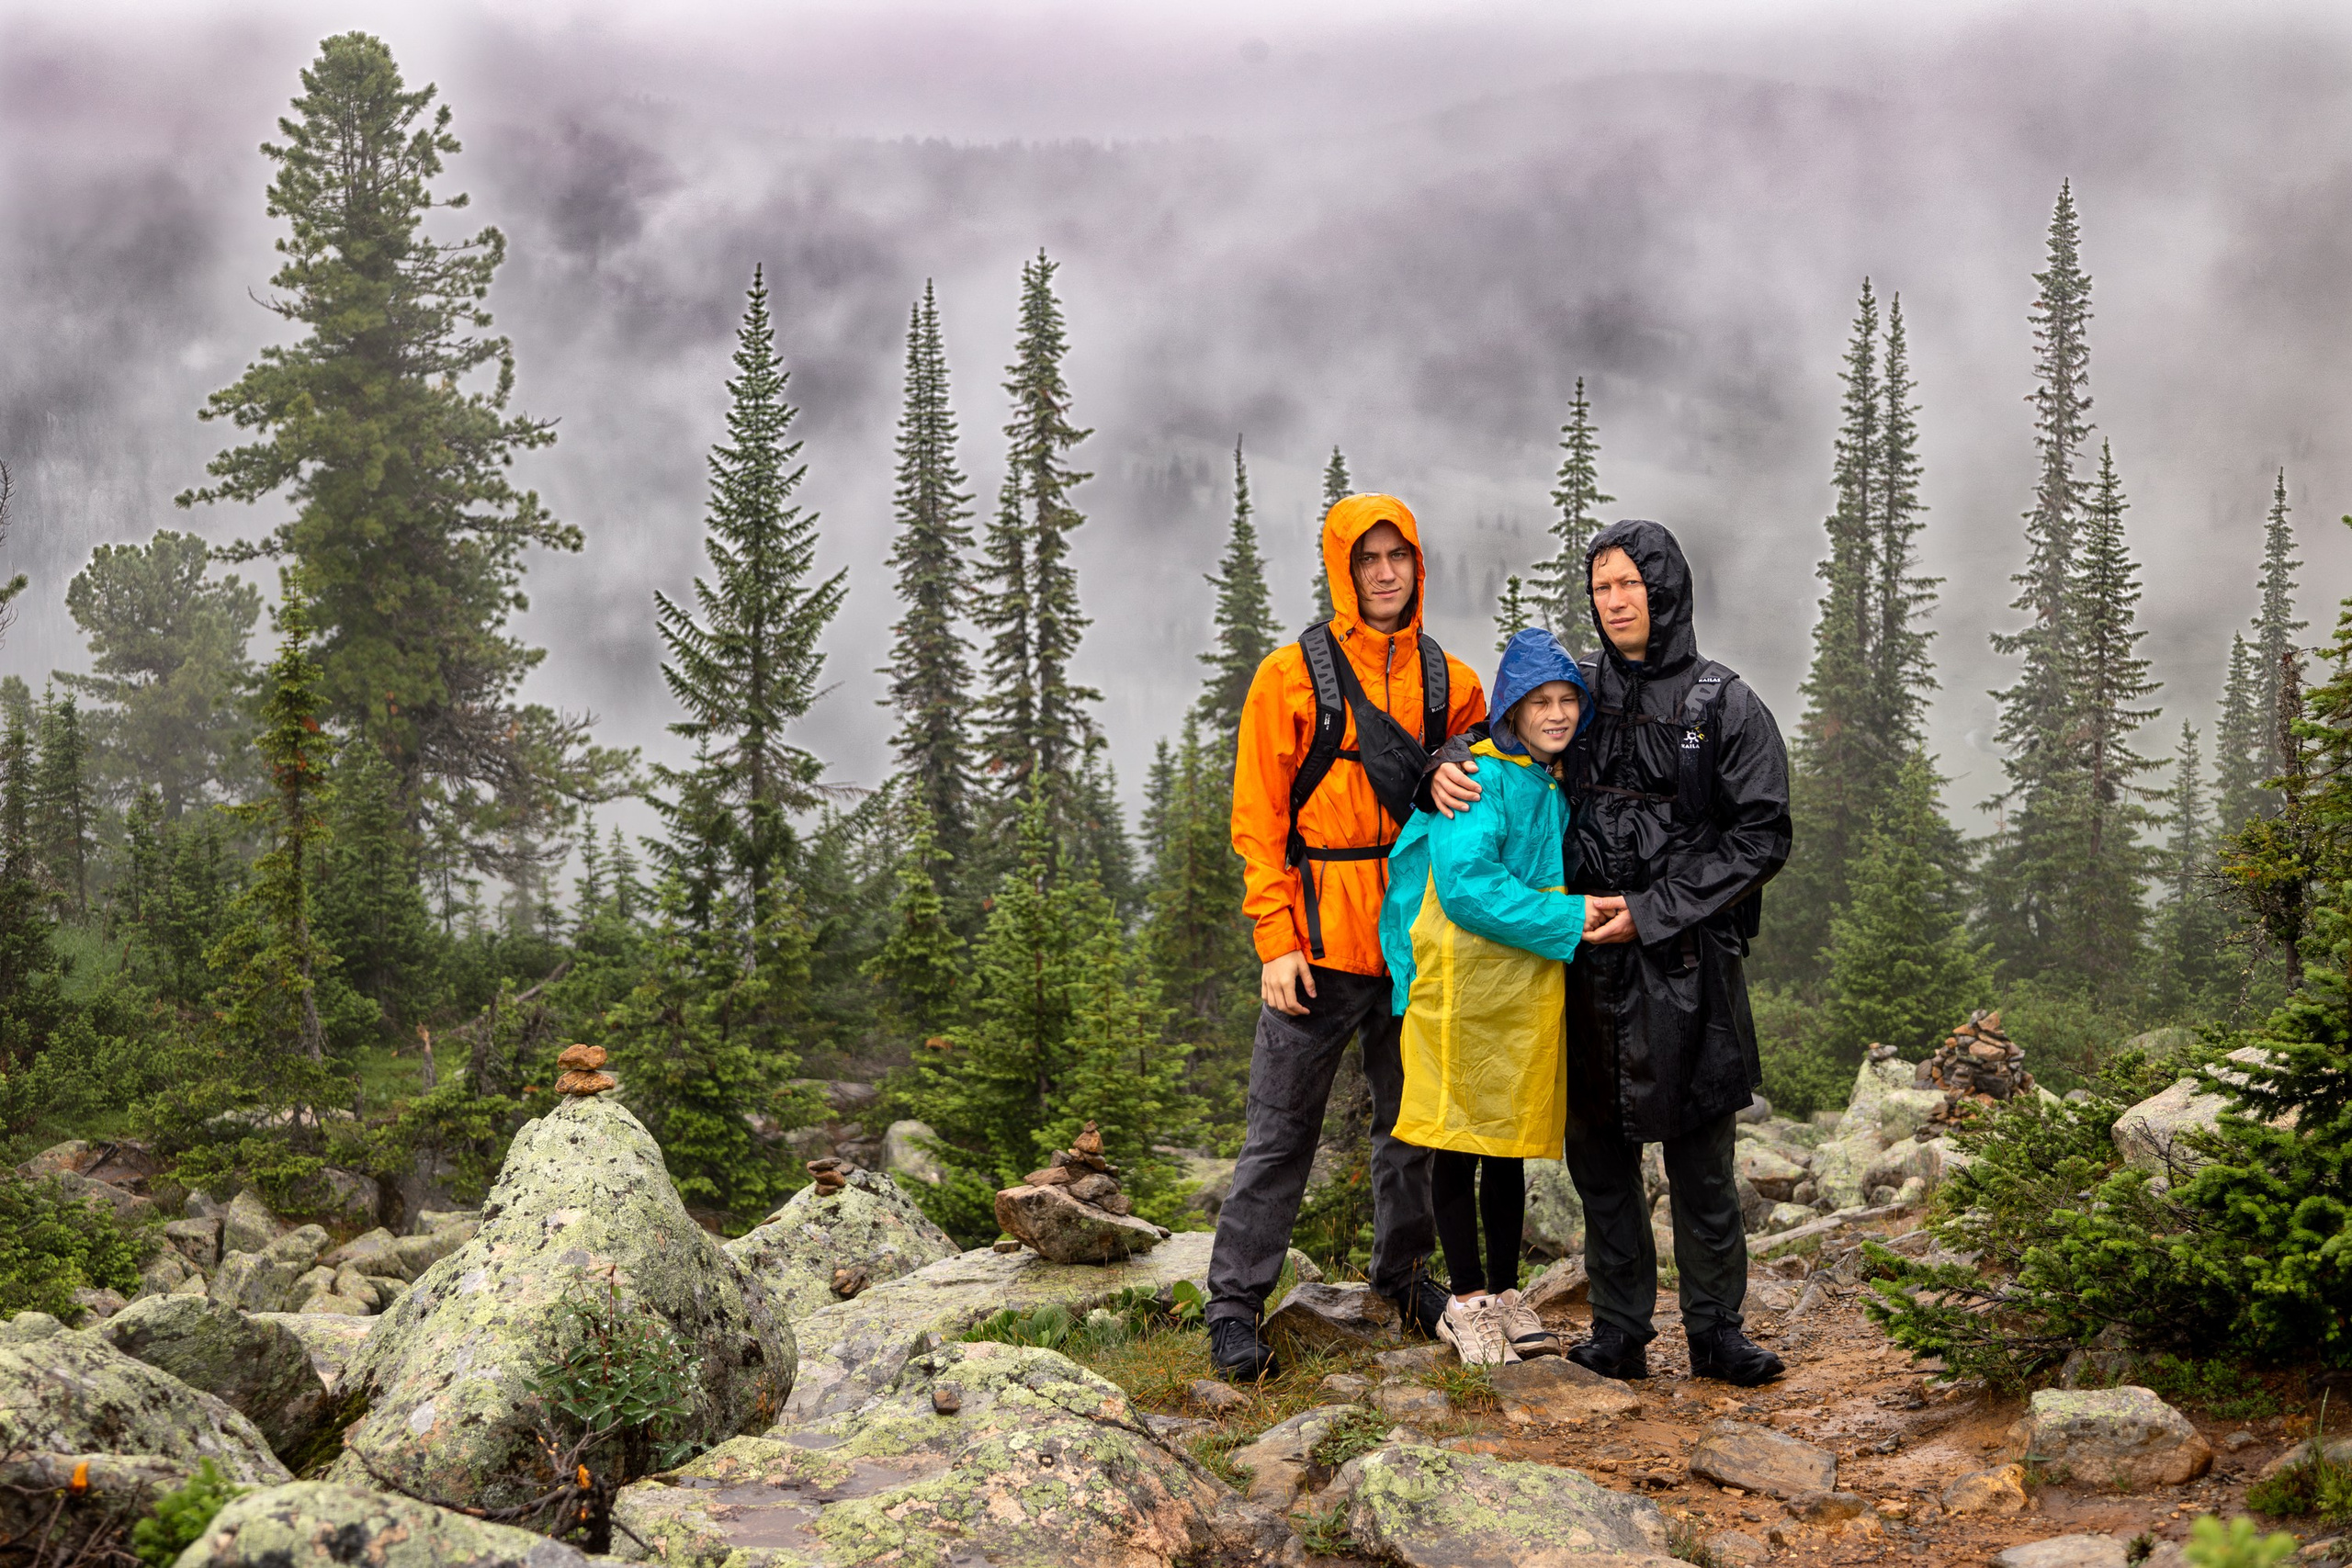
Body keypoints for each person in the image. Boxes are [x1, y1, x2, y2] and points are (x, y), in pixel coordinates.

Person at [1430, 519, 1792, 1386]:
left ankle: (1717, 1334)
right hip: (1584, 965)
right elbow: (1503, 740)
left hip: (1689, 967)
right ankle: (1622, 1331)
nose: (1617, 599)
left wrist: (1655, 908)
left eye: (1631, 583)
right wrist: (1436, 763)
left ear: (1666, 590)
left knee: (1702, 1166)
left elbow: (1762, 834)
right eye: (1602, 587)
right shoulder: (1576, 691)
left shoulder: (1723, 704)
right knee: (1600, 1163)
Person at [1207, 493, 1487, 1382]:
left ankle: (1402, 1277)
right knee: (1279, 1133)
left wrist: (1458, 762)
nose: (1383, 572)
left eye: (1397, 555)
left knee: (1410, 1129)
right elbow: (1257, 820)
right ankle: (1234, 1308)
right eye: (1366, 558)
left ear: (1417, 564)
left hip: (1414, 945)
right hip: (1317, 946)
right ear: (1342, 567)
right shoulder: (1288, 678)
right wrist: (1274, 938)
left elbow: (1495, 766)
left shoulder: (1453, 682)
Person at [1379, 627, 1619, 1366]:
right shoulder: (1478, 777)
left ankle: (1507, 1297)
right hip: (1459, 983)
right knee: (1456, 1140)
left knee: (1506, 1140)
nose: (1556, 714)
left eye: (1567, 700)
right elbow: (1467, 887)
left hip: (1513, 984)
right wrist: (1572, 916)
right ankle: (1467, 1301)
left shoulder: (1544, 777)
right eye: (1539, 702)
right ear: (1509, 711)